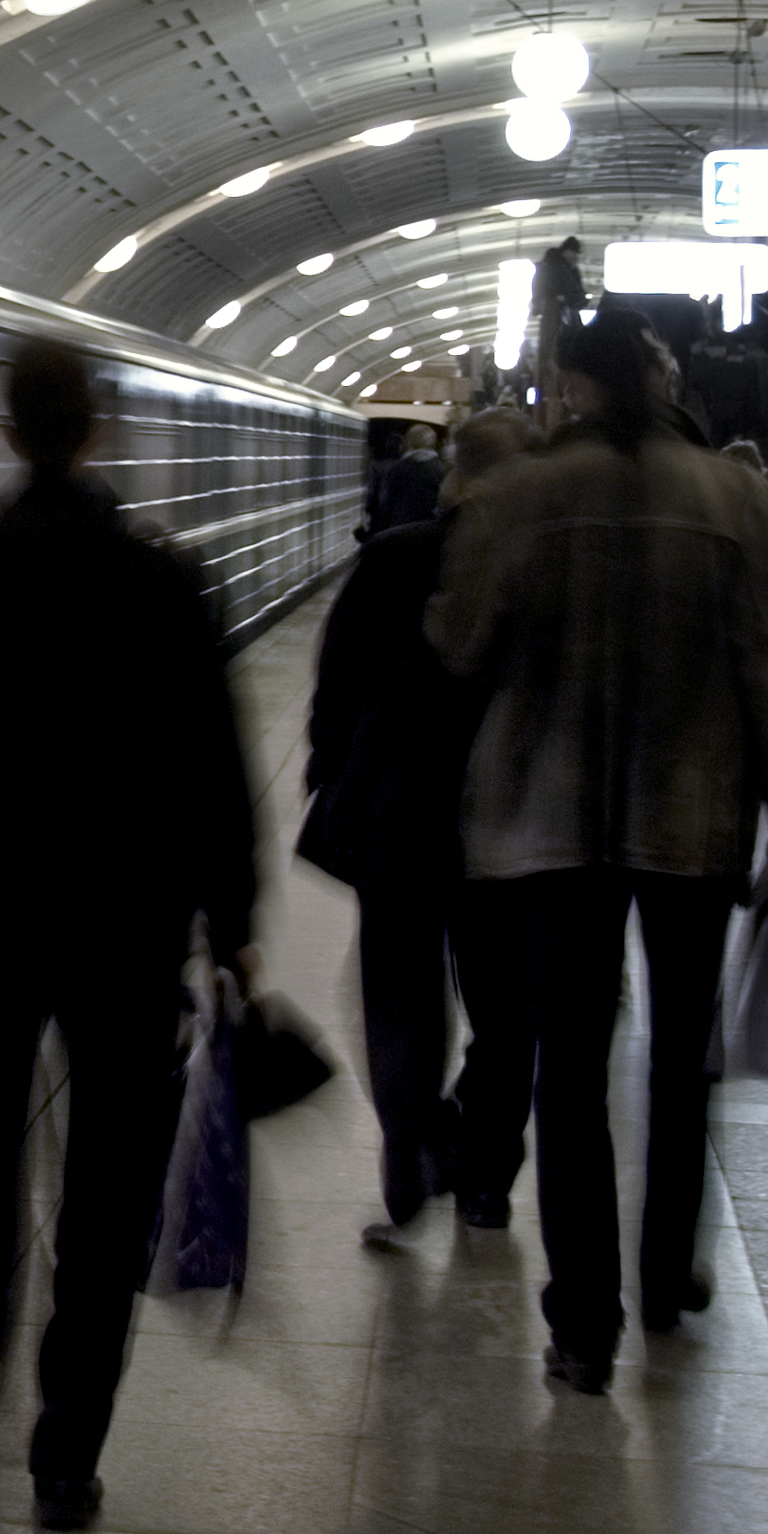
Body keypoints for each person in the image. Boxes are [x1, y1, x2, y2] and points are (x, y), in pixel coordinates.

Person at [0, 337, 258, 1533]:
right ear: (98, 430)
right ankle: (68, 1445)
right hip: (128, 924)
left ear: (5, 427)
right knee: (112, 1177)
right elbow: (213, 766)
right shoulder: (163, 579)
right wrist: (231, 920)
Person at [430, 304, 768, 1399]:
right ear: (655, 382)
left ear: (570, 386)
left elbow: (460, 641)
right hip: (692, 820)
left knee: (567, 1068)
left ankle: (580, 1325)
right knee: (680, 1060)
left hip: (547, 825)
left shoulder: (524, 496)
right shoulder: (733, 496)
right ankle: (663, 1279)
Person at [300, 409, 537, 1249]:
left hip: (398, 815)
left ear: (454, 478)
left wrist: (332, 777)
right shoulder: (540, 572)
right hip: (507, 825)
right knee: (507, 1010)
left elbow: (335, 687)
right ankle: (483, 1181)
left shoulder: (393, 558)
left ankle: (409, 1146)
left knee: (398, 992)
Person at [365, 422, 445, 537]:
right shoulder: (439, 468)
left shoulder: (398, 468)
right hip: (428, 530)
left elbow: (386, 503)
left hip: (399, 528)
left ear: (409, 442)